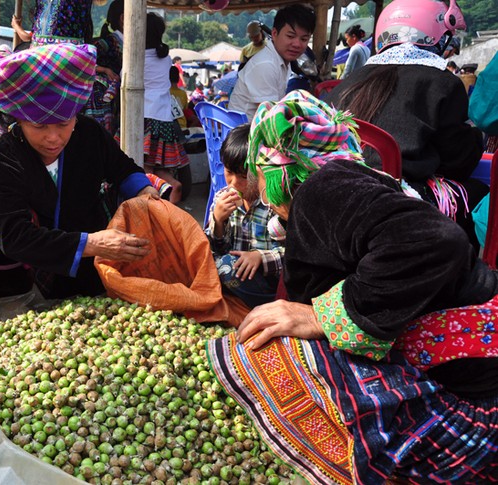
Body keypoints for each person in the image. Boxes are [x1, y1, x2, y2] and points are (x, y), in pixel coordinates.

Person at [207, 89, 498, 484]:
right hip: (470, 381)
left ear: (275, 171)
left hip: (475, 408)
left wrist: (320, 316)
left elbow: (433, 241)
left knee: (262, 358)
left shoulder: (321, 190)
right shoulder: (346, 183)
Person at [0, 43, 159, 317]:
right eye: (39, 126)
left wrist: (145, 191)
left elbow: (122, 168)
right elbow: (14, 236)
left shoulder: (88, 133)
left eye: (64, 124)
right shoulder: (4, 159)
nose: (53, 138)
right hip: (22, 262)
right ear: (19, 120)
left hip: (82, 254)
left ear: (76, 116)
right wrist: (92, 244)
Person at [328, 0, 485, 248]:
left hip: (337, 191)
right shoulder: (443, 82)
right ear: (437, 37)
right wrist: (477, 139)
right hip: (399, 197)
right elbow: (458, 162)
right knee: (478, 195)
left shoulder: (350, 81)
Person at [206, 124, 282, 308]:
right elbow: (217, 246)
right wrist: (218, 221)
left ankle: (267, 305)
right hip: (236, 275)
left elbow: (292, 254)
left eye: (243, 176)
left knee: (225, 267)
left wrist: (259, 257)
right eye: (229, 173)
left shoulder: (276, 205)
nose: (234, 183)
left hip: (268, 281)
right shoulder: (221, 199)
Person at [228, 4, 315, 120]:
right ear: (274, 34)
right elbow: (271, 119)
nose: (297, 44)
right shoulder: (266, 64)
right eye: (290, 36)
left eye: (304, 39)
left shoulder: (283, 60)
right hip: (245, 133)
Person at [142, 13, 190, 205]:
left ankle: (150, 211)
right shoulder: (166, 58)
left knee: (143, 171)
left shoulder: (136, 57)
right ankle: (173, 191)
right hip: (164, 120)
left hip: (144, 118)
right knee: (158, 169)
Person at [82, 0, 124, 133]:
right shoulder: (107, 42)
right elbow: (83, 60)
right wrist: (104, 70)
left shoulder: (124, 41)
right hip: (102, 97)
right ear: (123, 18)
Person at [169, 66, 188, 130]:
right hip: (183, 125)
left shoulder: (165, 93)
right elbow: (185, 109)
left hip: (169, 126)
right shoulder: (183, 93)